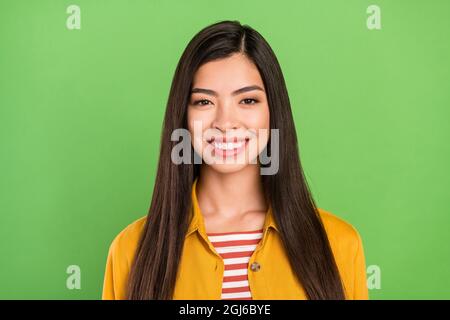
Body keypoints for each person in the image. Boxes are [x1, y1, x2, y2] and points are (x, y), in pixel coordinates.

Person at [102, 20, 369, 300]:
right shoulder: (130, 250)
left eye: (248, 100)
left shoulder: (339, 244)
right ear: (183, 116)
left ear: (273, 112)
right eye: (204, 102)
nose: (225, 122)